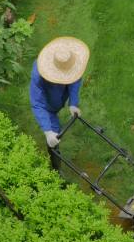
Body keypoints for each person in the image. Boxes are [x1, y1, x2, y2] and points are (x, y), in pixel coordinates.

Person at [29, 37, 89, 170]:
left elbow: (75, 80)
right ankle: (56, 169)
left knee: (54, 133)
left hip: (60, 98)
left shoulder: (70, 62)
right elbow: (37, 104)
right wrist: (47, 131)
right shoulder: (38, 75)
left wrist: (73, 103)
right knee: (53, 137)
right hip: (47, 106)